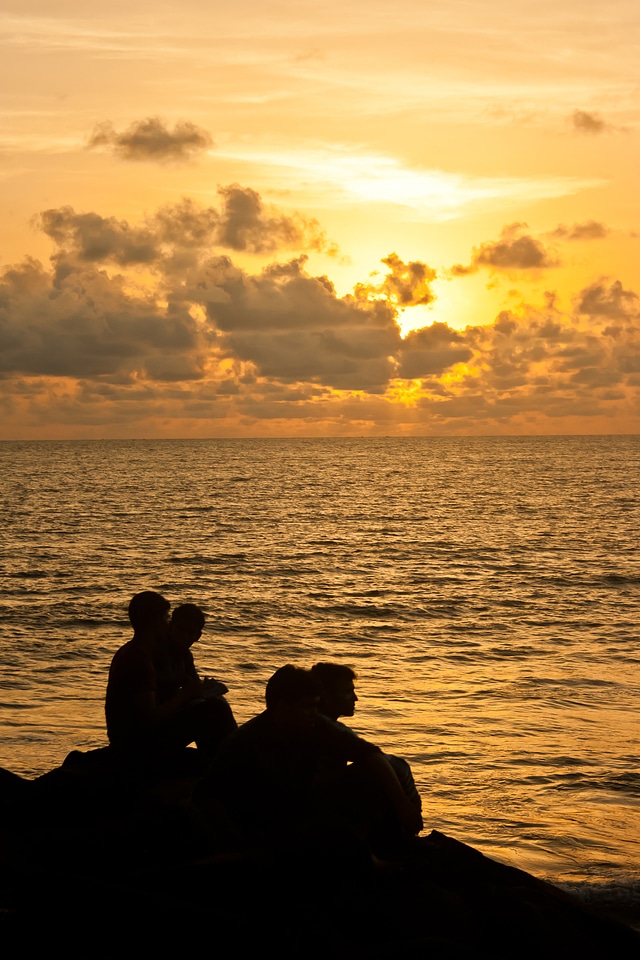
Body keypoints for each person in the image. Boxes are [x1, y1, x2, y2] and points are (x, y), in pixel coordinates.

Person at [205, 665, 422, 853]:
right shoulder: (246, 742)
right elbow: (209, 797)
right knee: (332, 830)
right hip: (268, 822)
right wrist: (243, 845)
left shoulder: (315, 724)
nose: (313, 712)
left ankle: (398, 839)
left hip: (299, 807)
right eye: (307, 706)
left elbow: (370, 754)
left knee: (383, 769)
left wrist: (403, 805)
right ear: (283, 706)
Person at [105, 591, 236, 773]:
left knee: (214, 708)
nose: (168, 625)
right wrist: (186, 694)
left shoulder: (135, 652)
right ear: (156, 622)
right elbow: (149, 719)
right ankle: (229, 770)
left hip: (137, 740)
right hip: (134, 748)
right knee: (214, 712)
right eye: (166, 619)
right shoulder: (138, 659)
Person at [311, 661, 422, 814]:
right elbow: (373, 754)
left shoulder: (315, 722)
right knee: (395, 765)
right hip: (320, 804)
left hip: (322, 800)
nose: (355, 698)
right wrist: (405, 805)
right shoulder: (323, 726)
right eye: (347, 692)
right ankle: (408, 821)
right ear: (326, 695)